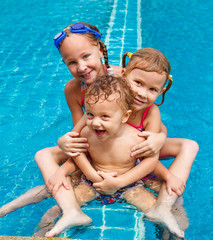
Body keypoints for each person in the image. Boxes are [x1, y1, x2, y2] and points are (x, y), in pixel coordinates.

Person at [44, 74, 188, 238]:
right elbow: (77, 155)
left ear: (125, 116)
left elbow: (150, 163)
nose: (96, 122)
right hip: (91, 184)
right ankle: (40, 233)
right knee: (56, 210)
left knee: (162, 214)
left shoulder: (136, 138)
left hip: (131, 187)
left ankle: (172, 235)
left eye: (104, 116)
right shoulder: (87, 133)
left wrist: (167, 176)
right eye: (90, 115)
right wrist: (89, 176)